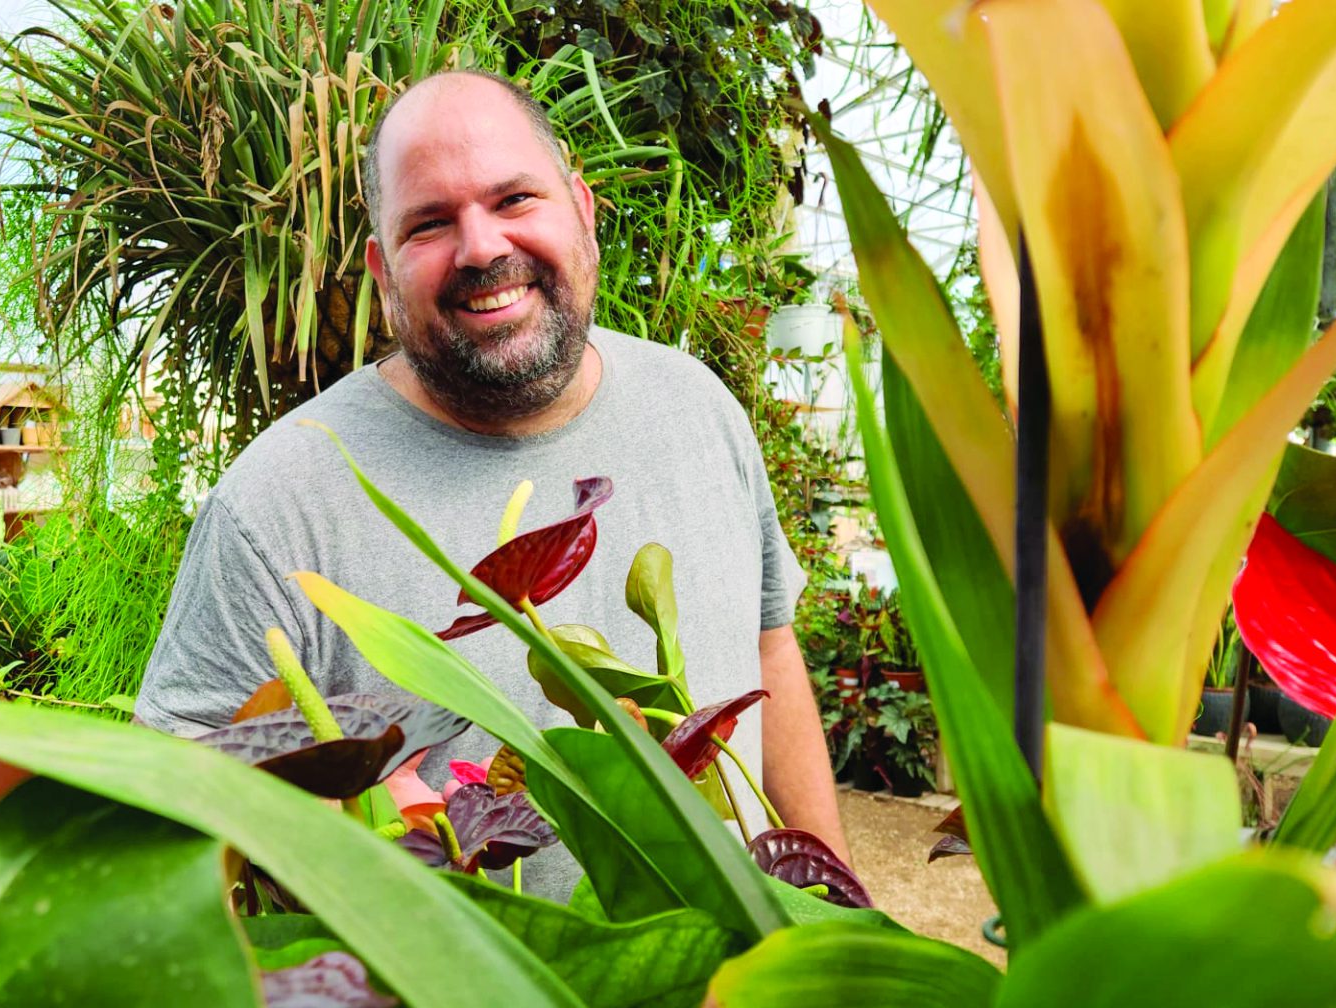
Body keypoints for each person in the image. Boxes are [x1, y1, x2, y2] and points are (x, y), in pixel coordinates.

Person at [134, 69, 848, 899]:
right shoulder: (280, 503)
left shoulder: (699, 407)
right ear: (382, 267)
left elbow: (770, 651)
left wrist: (845, 937)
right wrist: (322, 826)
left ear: (582, 207)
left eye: (514, 199)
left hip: (744, 1006)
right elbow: (172, 790)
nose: (481, 248)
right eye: (430, 223)